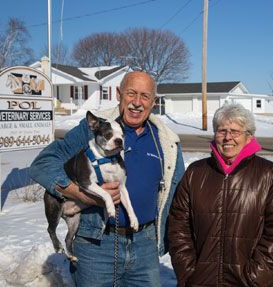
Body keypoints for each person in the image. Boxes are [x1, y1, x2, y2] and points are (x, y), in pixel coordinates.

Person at [29, 71, 185, 287]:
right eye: (131, 93)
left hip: (144, 245)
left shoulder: (167, 141)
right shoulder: (95, 128)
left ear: (154, 102)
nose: (137, 103)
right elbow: (42, 164)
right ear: (119, 94)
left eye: (145, 96)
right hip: (96, 245)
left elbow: (179, 199)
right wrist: (78, 193)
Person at [168, 103, 273, 287]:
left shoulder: (268, 174)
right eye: (221, 130)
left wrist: (255, 278)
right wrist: (189, 273)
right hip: (201, 281)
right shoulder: (195, 172)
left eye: (235, 131)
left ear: (249, 137)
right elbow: (178, 227)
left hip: (249, 282)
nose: (227, 137)